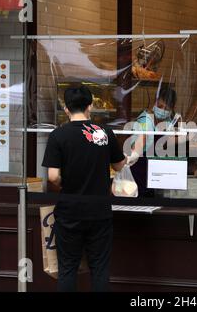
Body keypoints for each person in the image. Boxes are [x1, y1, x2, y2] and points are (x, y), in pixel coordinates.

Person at [42, 85, 126, 292]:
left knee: (68, 268)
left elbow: (52, 176)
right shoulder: (104, 132)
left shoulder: (58, 135)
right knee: (99, 269)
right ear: (90, 106)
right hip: (99, 211)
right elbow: (119, 165)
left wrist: (67, 184)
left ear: (66, 108)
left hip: (69, 211)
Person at [126, 87, 178, 196]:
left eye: (166, 108)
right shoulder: (145, 120)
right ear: (155, 102)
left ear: (171, 110)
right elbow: (141, 139)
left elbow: (169, 144)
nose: (162, 110)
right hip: (139, 169)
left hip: (155, 173)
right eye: (160, 106)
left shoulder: (168, 122)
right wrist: (134, 154)